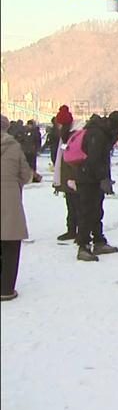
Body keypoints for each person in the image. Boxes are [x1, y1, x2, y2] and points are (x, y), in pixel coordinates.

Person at [74, 111, 118, 261]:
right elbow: (94, 159)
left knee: (97, 211)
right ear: (117, 122)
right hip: (87, 178)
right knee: (87, 212)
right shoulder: (97, 133)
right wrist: (103, 178)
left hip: (94, 178)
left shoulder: (104, 133)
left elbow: (102, 158)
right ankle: (83, 245)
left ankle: (98, 241)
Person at [1, 115, 32, 301]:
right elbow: (26, 175)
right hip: (9, 199)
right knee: (11, 244)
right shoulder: (13, 147)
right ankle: (6, 289)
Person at [52, 107, 79, 241]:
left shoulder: (72, 136)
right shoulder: (64, 137)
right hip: (67, 176)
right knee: (71, 205)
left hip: (73, 176)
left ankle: (78, 231)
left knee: (76, 205)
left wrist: (73, 177)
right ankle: (72, 229)